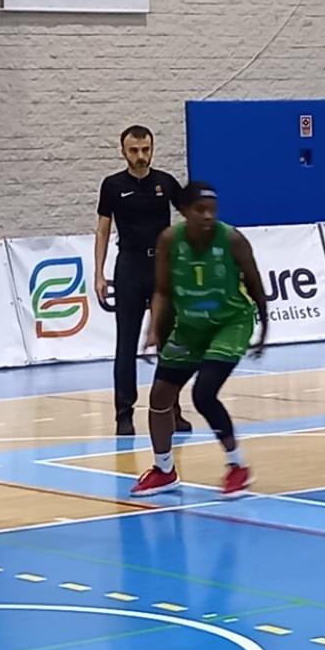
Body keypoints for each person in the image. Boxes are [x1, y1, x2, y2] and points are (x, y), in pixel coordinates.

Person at [129, 182, 268, 498]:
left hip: (230, 323)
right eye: (200, 209)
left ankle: (237, 466)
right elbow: (162, 290)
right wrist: (153, 329)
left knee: (203, 394)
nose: (208, 216)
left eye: (212, 210)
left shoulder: (231, 239)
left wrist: (264, 329)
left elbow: (256, 284)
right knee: (160, 396)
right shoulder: (169, 240)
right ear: (184, 211)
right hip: (191, 326)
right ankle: (164, 470)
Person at [95, 125, 191, 436]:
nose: (141, 156)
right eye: (134, 150)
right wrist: (99, 273)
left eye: (145, 149)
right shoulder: (112, 185)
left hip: (162, 267)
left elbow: (191, 215)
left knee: (169, 342)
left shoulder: (165, 182)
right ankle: (123, 414)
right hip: (130, 267)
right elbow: (103, 230)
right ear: (123, 151)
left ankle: (172, 409)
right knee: (126, 344)